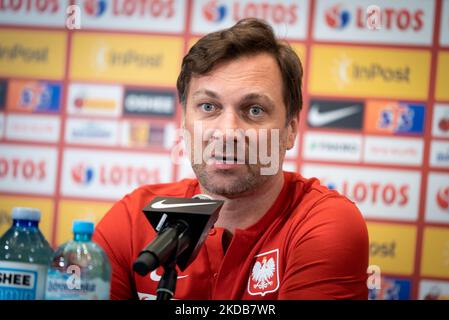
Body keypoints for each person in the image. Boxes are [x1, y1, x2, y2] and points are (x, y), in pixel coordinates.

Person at [93, 18, 369, 300]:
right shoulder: (132, 219)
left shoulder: (323, 223)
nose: (227, 132)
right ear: (185, 121)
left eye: (255, 110)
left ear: (290, 131)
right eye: (208, 106)